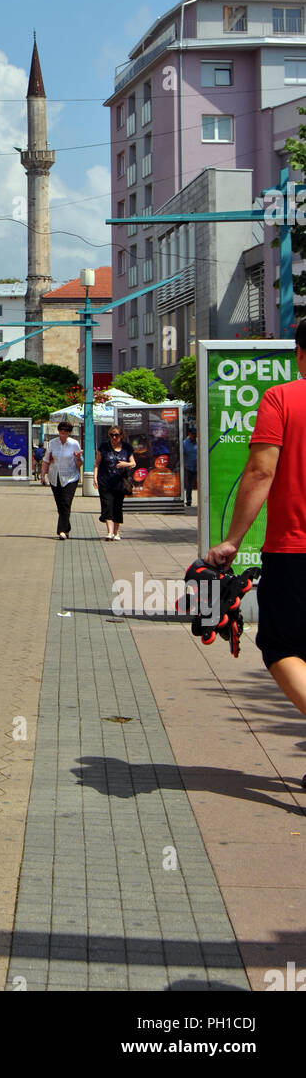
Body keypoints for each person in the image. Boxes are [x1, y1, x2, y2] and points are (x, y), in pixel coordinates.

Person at [206, 320, 306, 784]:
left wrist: (232, 541)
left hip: (294, 551)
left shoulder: (282, 399)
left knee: (282, 647)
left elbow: (261, 473)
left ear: (300, 354)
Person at [41, 421, 83, 539]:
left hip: (70, 477)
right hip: (55, 476)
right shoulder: (53, 443)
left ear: (69, 433)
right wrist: (43, 476)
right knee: (60, 505)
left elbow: (79, 463)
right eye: (61, 431)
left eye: (65, 431)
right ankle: (66, 527)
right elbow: (46, 460)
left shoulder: (74, 444)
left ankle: (61, 531)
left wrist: (78, 458)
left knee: (66, 502)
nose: (63, 433)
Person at [93, 426, 136, 541]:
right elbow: (97, 463)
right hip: (105, 481)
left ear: (121, 436)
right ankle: (110, 532)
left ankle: (116, 532)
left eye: (116, 435)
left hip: (120, 482)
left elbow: (133, 463)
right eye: (112, 435)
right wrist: (95, 478)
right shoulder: (103, 447)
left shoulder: (127, 448)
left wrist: (124, 464)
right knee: (107, 506)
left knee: (117, 506)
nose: (114, 437)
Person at [183, 426, 198, 506]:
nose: (194, 436)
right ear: (189, 434)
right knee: (189, 485)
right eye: (192, 434)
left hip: (198, 467)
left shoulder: (199, 442)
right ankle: (189, 501)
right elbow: (182, 455)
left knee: (201, 484)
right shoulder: (185, 443)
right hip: (189, 467)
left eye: (195, 434)